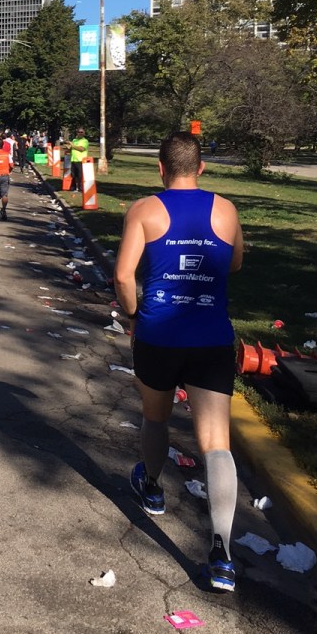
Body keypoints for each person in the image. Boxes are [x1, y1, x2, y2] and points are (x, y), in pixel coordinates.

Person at [114, 131, 244, 593]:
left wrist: (133, 314)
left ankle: (151, 486)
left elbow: (123, 276)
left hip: (159, 335)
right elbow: (234, 264)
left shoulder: (144, 210)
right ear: (201, 168)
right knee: (216, 444)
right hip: (211, 338)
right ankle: (222, 554)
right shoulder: (226, 210)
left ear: (160, 168)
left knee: (156, 417)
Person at [69, 128, 89, 194]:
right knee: (74, 175)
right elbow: (72, 148)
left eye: (81, 132)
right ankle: (74, 187)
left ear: (84, 133)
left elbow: (81, 149)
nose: (80, 133)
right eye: (78, 132)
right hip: (73, 159)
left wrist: (72, 145)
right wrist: (69, 148)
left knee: (80, 175)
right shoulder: (74, 140)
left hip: (81, 160)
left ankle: (81, 188)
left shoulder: (85, 141)